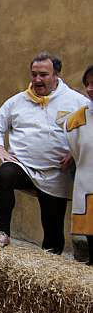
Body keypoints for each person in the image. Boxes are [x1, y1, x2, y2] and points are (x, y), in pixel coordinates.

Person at [0, 52, 88, 253]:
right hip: (24, 168)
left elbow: (89, 130)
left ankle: (52, 268)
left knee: (53, 234)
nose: (37, 80)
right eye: (34, 75)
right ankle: (3, 232)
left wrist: (75, 153)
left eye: (43, 75)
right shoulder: (17, 101)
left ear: (56, 75)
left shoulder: (76, 101)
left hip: (56, 175)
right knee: (5, 173)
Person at [61, 65, 93, 265]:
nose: (90, 88)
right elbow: (75, 148)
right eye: (88, 84)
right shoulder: (76, 120)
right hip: (88, 181)